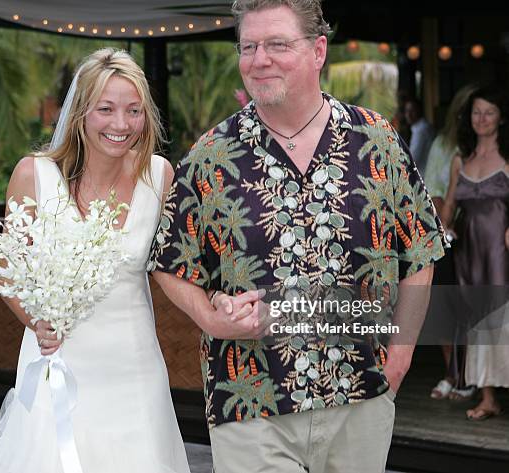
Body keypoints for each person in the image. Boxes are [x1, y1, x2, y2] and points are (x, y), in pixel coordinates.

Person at [149, 1, 446, 472]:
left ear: (318, 51)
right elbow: (169, 261)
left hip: (361, 394)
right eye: (249, 46)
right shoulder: (209, 156)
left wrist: (402, 354)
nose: (259, 59)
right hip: (250, 401)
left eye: (277, 44)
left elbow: (421, 252)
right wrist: (209, 317)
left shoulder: (377, 140)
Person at [0, 48, 190, 472]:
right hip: (58, 359)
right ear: (80, 113)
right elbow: (7, 269)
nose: (121, 124)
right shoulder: (34, 175)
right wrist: (36, 322)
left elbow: (171, 265)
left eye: (134, 111)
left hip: (133, 366)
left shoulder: (159, 177)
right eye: (105, 109)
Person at [441, 85, 509, 421]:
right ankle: (487, 397)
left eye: (489, 112)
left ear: (501, 118)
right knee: (477, 319)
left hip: (501, 249)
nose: (481, 118)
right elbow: (450, 204)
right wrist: (445, 229)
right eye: (476, 112)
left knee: (502, 317)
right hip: (468, 251)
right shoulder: (461, 159)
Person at [424, 84, 477, 402]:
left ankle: (472, 375)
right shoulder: (443, 145)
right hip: (445, 232)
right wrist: (445, 220)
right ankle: (452, 373)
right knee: (443, 306)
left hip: (477, 232)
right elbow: (431, 187)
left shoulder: (483, 147)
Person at [405, 97, 435, 176]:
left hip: (425, 176)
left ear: (419, 110)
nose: (409, 114)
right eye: (407, 111)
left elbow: (412, 160)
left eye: (412, 111)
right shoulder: (420, 128)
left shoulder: (421, 130)